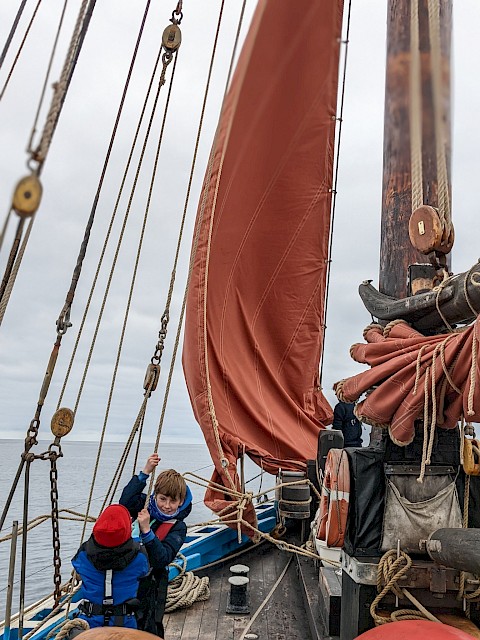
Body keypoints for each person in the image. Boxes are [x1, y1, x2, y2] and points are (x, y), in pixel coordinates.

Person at [119, 453, 192, 638]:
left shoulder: (178, 526)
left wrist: (146, 531)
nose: (167, 506)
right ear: (155, 496)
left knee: (149, 627)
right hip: (127, 578)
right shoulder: (144, 506)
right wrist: (145, 473)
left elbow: (162, 558)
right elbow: (125, 502)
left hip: (152, 584)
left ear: (181, 502)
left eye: (173, 501)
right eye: (163, 499)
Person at [71, 504, 149, 631]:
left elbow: (78, 569)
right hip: (124, 623)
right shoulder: (139, 556)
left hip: (90, 623)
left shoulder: (83, 554)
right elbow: (144, 572)